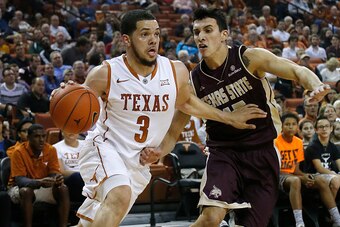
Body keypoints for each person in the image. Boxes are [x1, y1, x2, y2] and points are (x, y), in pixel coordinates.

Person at [54, 9, 267, 227]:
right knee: (119, 196)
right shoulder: (105, 73)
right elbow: (79, 102)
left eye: (156, 34)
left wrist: (230, 118)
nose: (153, 40)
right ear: (126, 40)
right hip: (106, 149)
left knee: (90, 223)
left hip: (138, 163)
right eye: (145, 34)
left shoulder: (174, 70)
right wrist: (63, 93)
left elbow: (186, 103)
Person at [140, 8, 331, 227]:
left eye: (208, 30)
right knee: (211, 218)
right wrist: (158, 151)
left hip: (262, 152)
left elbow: (297, 71)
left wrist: (315, 85)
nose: (201, 36)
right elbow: (174, 131)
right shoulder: (194, 82)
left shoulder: (249, 58)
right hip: (224, 153)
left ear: (224, 34)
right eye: (196, 32)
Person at [276, 112, 340, 227]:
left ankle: (336, 219)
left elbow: (296, 169)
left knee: (321, 180)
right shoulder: (275, 142)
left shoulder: (298, 142)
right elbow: (275, 169)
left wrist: (304, 176)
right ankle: (299, 222)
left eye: (293, 124)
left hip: (294, 175)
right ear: (281, 126)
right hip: (279, 176)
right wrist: (299, 177)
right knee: (295, 180)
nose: (290, 127)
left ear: (297, 127)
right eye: (287, 124)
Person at [7, 124, 70, 227]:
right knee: (26, 191)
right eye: (37, 136)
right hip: (18, 188)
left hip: (42, 186)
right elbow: (20, 180)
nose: (41, 140)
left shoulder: (50, 149)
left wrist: (56, 178)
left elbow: (53, 172)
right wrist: (39, 182)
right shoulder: (18, 152)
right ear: (28, 138)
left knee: (63, 188)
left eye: (43, 136)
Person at [53, 131, 85, 203]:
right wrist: (82, 174)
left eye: (74, 129)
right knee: (77, 177)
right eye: (68, 129)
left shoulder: (85, 144)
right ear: (62, 132)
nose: (71, 132)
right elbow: (62, 171)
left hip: (87, 177)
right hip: (69, 179)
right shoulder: (56, 148)